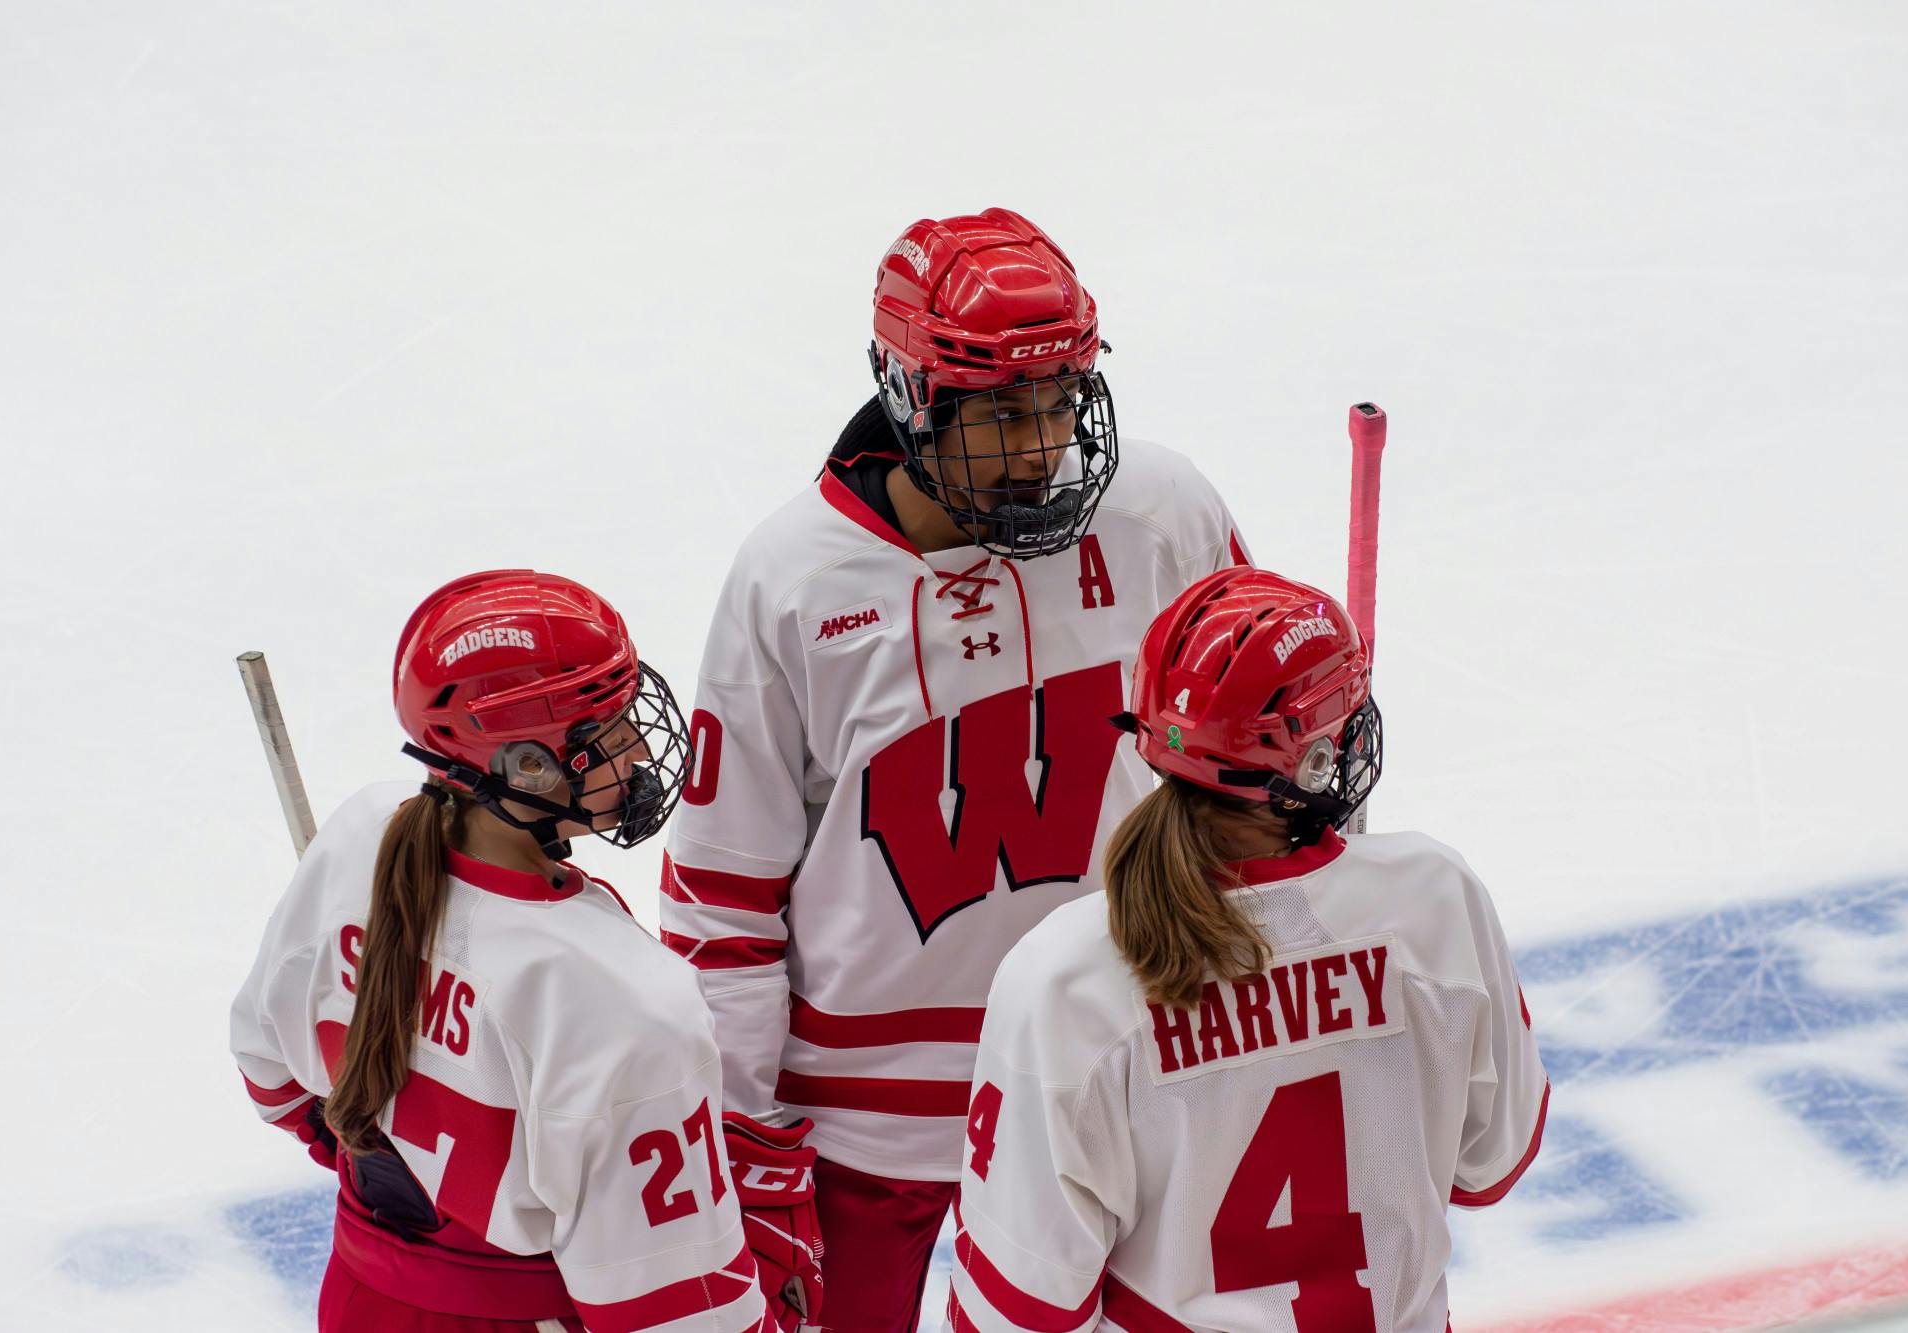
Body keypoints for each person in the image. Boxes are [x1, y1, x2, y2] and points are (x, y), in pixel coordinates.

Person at [660, 208, 1255, 1330]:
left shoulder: (1163, 512)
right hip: (864, 1124)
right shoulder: (793, 579)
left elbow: (1266, 767)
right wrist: (734, 1133)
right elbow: (721, 894)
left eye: (1058, 401)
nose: (1039, 447)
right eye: (1000, 412)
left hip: (1120, 1064)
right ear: (909, 391)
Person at [947, 567, 1550, 1333]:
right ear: (1313, 762)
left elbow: (1020, 1306)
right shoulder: (1434, 896)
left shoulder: (1065, 974)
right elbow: (1490, 1164)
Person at [230, 570, 822, 1333]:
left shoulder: (360, 838)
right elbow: (676, 1309)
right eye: (608, 730)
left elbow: (268, 1068)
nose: (641, 745)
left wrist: (404, 1183)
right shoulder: (625, 995)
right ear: (527, 768)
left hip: (363, 1296)